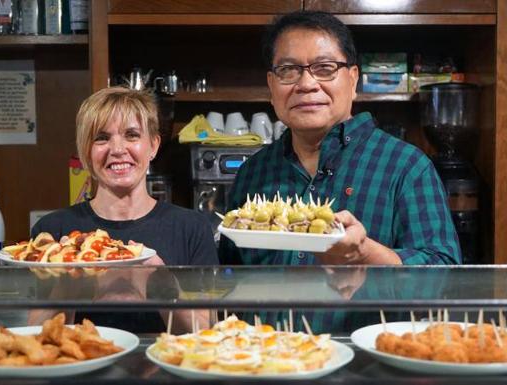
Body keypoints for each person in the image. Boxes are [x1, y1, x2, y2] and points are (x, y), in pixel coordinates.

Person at [219, 11, 461, 331]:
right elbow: (230, 277)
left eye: (325, 68)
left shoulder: (407, 166)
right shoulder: (253, 172)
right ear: (271, 84)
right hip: (264, 363)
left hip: (365, 368)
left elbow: (444, 282)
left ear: (353, 79)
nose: (306, 84)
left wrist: (365, 254)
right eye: (288, 70)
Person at [32, 86, 218, 333]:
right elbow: (35, 336)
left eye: (131, 135)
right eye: (101, 137)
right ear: (85, 152)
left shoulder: (191, 228)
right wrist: (67, 285)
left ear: (153, 146)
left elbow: (209, 335)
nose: (117, 149)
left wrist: (162, 285)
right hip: (81, 368)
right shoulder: (53, 232)